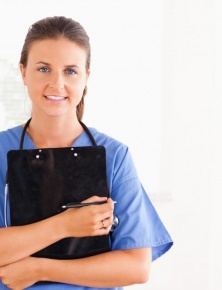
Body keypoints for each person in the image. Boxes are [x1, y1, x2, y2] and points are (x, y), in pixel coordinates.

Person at [0, 16, 173, 289]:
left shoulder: (114, 156)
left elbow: (136, 267)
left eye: (70, 71)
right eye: (43, 69)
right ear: (23, 72)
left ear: (86, 77)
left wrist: (38, 268)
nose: (57, 84)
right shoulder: (1, 151)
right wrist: (66, 225)